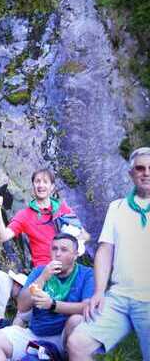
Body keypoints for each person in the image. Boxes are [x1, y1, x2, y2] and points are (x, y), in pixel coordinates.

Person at [67, 147, 150, 361]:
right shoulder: (117, 208)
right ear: (131, 174)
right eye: (140, 168)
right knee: (77, 344)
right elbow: (105, 250)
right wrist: (99, 291)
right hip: (119, 298)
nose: (146, 173)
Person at [0, 233, 94, 361]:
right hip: (35, 333)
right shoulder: (40, 271)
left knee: (77, 321)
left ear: (75, 254)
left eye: (64, 250)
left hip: (65, 336)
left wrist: (52, 305)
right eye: (54, 249)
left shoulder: (87, 274)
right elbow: (22, 306)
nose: (57, 254)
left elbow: (87, 307)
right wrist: (42, 278)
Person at [0, 168, 89, 267]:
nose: (41, 185)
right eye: (37, 181)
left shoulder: (63, 208)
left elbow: (85, 235)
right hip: (43, 270)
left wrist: (72, 244)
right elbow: (2, 237)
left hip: (66, 268)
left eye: (45, 182)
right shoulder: (24, 215)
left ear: (52, 187)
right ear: (33, 185)